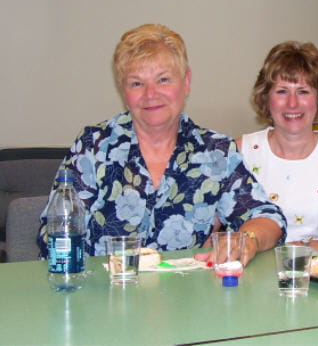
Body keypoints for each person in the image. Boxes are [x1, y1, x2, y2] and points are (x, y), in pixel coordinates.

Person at [37, 24, 286, 265]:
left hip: (184, 299)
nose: (151, 94)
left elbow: (267, 217)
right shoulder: (94, 147)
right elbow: (55, 233)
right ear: (123, 91)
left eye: (163, 79)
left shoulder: (215, 152)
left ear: (186, 82)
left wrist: (247, 239)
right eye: (136, 83)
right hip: (103, 294)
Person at [236, 41, 318, 254]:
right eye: (282, 91)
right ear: (266, 97)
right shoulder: (238, 152)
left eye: (303, 91)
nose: (292, 104)